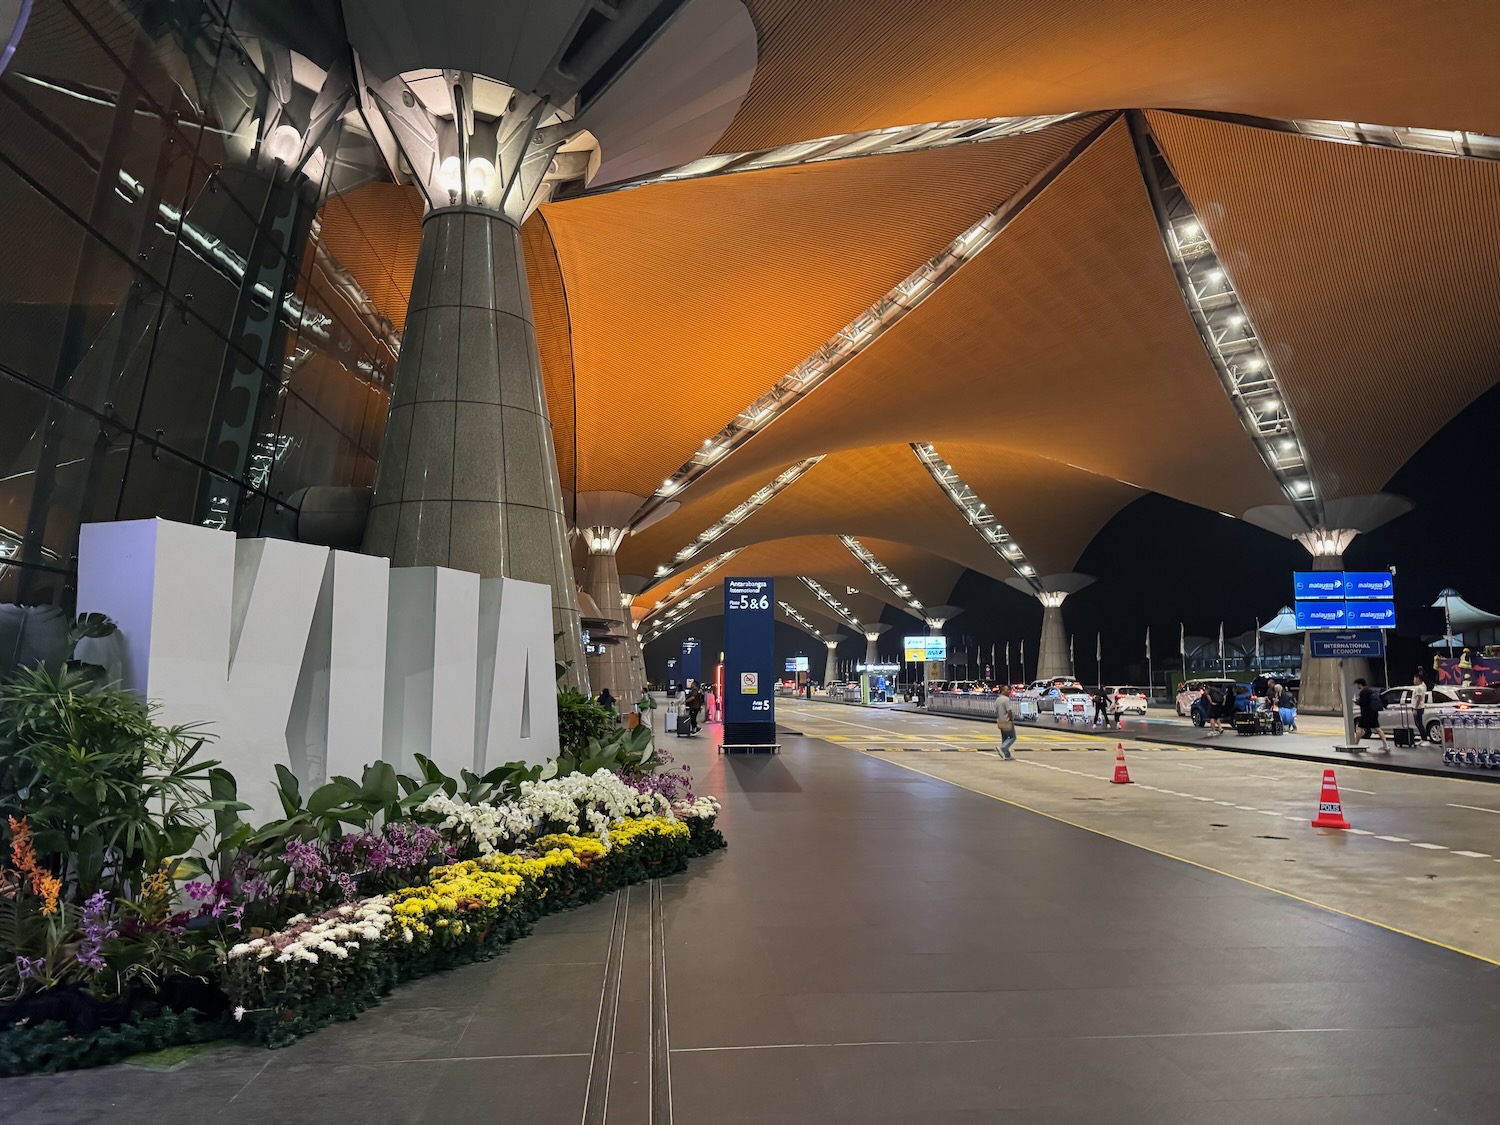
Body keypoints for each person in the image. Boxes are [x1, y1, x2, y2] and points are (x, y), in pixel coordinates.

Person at [1354, 677, 1387, 750]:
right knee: (1378, 729)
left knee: (1360, 728)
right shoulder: (1371, 691)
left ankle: (1355, 745)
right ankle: (1386, 745)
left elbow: (1361, 703)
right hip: (1374, 713)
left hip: (1366, 713)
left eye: (1357, 685)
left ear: (1360, 684)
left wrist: (1355, 701)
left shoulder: (1363, 692)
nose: (1356, 686)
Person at [994, 685, 1018, 760]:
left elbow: (995, 711)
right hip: (1007, 721)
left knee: (1004, 738)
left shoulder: (998, 699)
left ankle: (1007, 755)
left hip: (1000, 720)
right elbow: (1009, 711)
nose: (1009, 691)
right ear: (1003, 691)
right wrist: (1010, 719)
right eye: (1007, 690)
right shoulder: (1006, 699)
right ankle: (1003, 748)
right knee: (1012, 737)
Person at [1411, 670, 1429, 743]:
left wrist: (1415, 708)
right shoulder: (1423, 686)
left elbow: (1418, 698)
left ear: (1418, 679)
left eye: (1414, 679)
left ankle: (1425, 740)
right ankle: (1423, 739)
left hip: (1418, 708)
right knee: (1418, 724)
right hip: (1419, 707)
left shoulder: (1419, 688)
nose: (1413, 680)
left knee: (1419, 724)